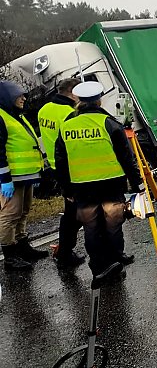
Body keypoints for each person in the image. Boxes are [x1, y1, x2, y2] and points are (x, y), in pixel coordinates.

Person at [55, 81, 145, 283]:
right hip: (110, 184)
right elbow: (126, 158)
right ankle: (114, 263)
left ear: (79, 101)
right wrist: (137, 184)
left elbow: (61, 161)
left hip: (81, 187)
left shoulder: (66, 126)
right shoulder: (110, 124)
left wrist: (65, 188)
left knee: (92, 228)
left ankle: (98, 267)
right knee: (113, 225)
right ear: (99, 100)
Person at [38, 78, 86, 269]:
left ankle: (64, 249)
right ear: (72, 92)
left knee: (72, 211)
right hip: (71, 167)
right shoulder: (69, 113)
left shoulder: (44, 109)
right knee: (75, 213)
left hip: (55, 166)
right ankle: (65, 252)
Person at [0, 80, 48, 271]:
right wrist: (4, 179)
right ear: (7, 97)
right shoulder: (2, 117)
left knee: (23, 212)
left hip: (25, 176)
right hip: (11, 178)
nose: (24, 98)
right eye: (19, 95)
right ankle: (10, 257)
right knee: (9, 215)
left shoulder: (17, 116)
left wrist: (36, 172)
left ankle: (22, 246)